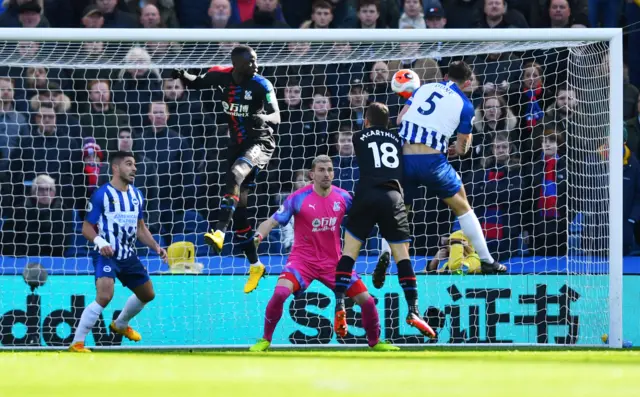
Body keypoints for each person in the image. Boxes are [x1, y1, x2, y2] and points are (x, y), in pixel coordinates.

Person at [249, 155, 398, 352]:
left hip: (334, 264)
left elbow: (364, 219)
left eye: (329, 170)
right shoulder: (298, 198)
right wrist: (258, 236)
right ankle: (265, 339)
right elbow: (271, 221)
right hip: (302, 262)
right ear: (312, 174)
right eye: (321, 170)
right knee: (280, 293)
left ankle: (375, 342)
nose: (326, 174)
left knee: (368, 302)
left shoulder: (343, 197)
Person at [172, 45, 280, 293]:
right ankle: (255, 266)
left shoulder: (262, 84)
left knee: (235, 174)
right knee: (240, 212)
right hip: (236, 145)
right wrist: (182, 74)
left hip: (261, 143)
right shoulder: (221, 76)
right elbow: (197, 82)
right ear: (236, 64)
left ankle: (219, 232)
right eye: (250, 62)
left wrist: (264, 118)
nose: (255, 65)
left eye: (256, 60)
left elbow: (277, 116)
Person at [382, 61, 507, 275]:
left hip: (405, 159)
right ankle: (487, 260)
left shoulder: (424, 88)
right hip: (433, 162)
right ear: (467, 82)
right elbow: (463, 146)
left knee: (399, 211)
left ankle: (384, 256)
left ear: (446, 75)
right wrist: (454, 149)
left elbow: (400, 119)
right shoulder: (465, 105)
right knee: (462, 207)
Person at [333, 102, 436, 339]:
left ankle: (339, 305)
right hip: (393, 197)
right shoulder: (397, 138)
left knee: (348, 254)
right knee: (403, 257)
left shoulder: (359, 136)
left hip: (366, 195)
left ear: (366, 121)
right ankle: (413, 310)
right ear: (388, 122)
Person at [68, 151, 168, 353]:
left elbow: (141, 228)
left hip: (128, 255)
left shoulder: (137, 195)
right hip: (106, 254)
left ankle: (120, 323)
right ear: (115, 168)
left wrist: (156, 247)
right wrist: (99, 241)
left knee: (147, 294)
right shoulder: (102, 194)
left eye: (135, 165)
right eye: (129, 164)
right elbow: (86, 228)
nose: (134, 168)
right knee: (105, 295)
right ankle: (77, 343)